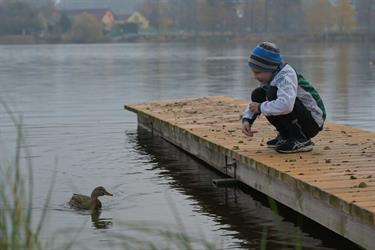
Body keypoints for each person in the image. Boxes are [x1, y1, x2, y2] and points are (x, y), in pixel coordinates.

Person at [242, 42, 326, 153]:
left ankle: (301, 138)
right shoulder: (272, 75)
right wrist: (247, 119)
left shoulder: (286, 76)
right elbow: (256, 103)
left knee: (272, 94)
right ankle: (286, 136)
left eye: (258, 72)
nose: (255, 77)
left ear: (269, 68)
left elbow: (286, 105)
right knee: (259, 93)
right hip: (301, 115)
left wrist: (261, 107)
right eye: (253, 72)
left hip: (313, 121)